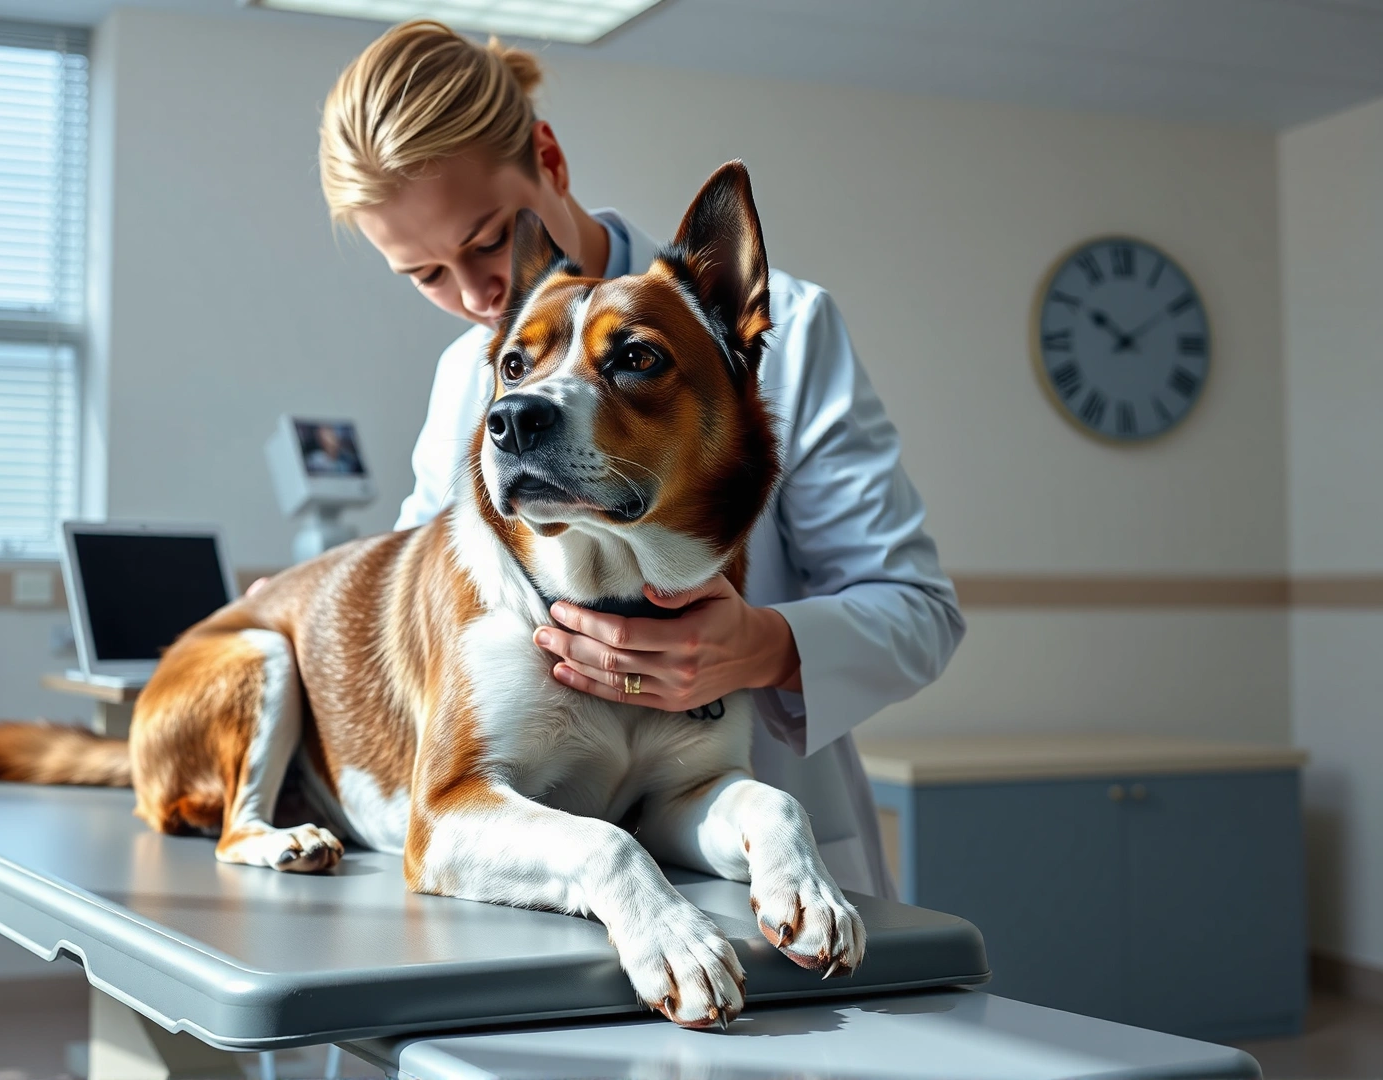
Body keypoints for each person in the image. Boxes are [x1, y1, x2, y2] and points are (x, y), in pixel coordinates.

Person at [312, 20, 964, 898]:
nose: (475, 297)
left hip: (739, 851)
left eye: (488, 240)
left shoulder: (787, 332)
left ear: (548, 155)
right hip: (537, 873)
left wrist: (764, 646)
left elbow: (917, 612)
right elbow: (424, 616)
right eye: (425, 275)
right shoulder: (465, 381)